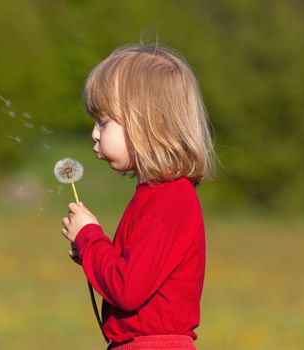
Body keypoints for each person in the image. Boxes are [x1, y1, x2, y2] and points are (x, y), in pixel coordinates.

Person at [60, 43, 215, 350]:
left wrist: (91, 238)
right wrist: (93, 253)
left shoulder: (170, 199)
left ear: (147, 123)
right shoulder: (157, 195)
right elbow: (132, 274)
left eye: (103, 122)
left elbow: (127, 288)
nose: (94, 133)